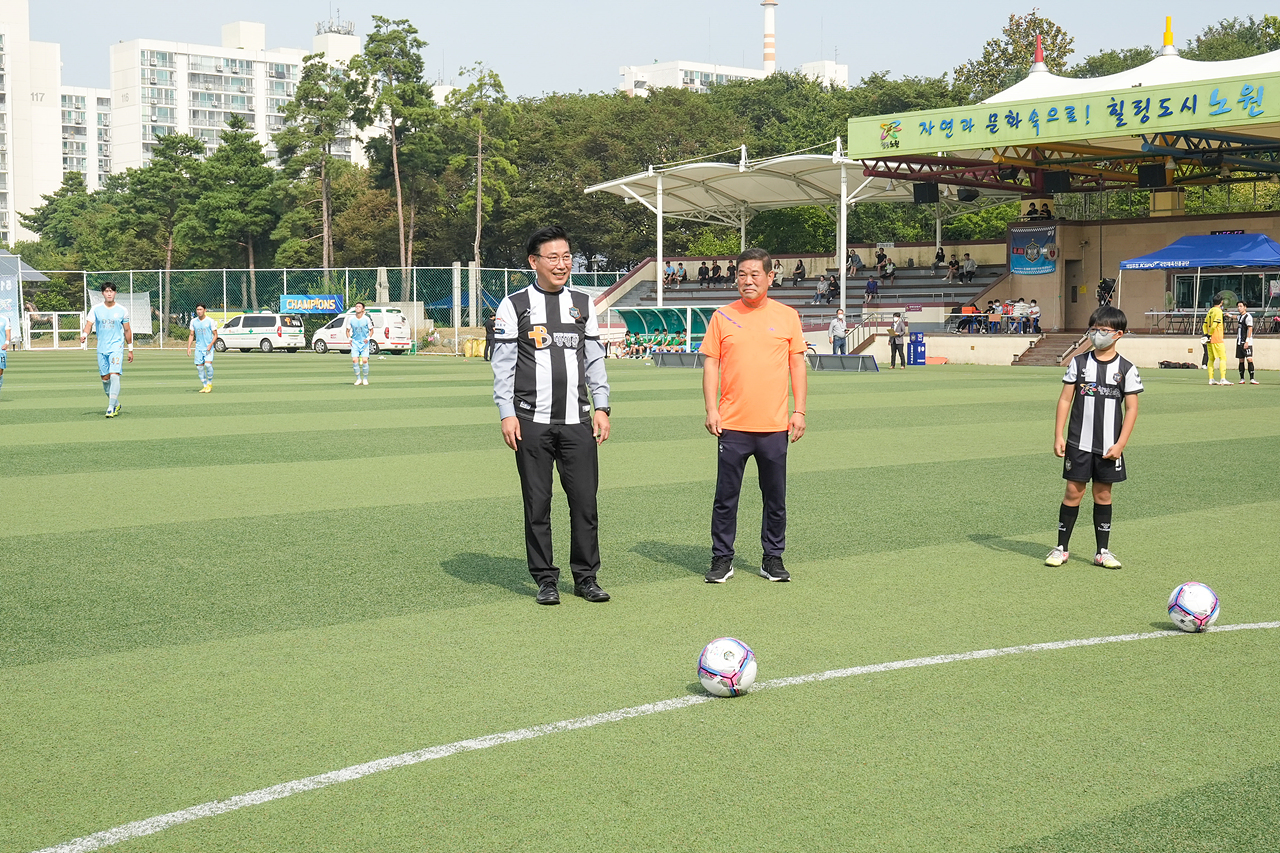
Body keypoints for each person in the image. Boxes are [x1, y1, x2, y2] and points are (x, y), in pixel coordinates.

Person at [492, 225, 611, 605]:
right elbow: (504, 365)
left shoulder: (582, 303)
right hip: (531, 421)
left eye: (566, 257)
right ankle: (545, 579)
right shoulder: (514, 305)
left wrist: (602, 406)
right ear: (534, 262)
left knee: (585, 503)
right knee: (538, 503)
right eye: (553, 257)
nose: (562, 265)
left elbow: (594, 360)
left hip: (577, 421)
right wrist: (506, 413)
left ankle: (586, 577)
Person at [702, 247, 806, 584]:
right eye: (742, 275)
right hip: (731, 425)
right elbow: (711, 363)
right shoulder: (722, 316)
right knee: (725, 498)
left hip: (775, 426)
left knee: (775, 497)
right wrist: (711, 408)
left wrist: (799, 410)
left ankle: (772, 558)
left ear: (769, 277)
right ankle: (722, 559)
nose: (747, 281)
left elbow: (796, 366)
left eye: (754, 275)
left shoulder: (788, 316)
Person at [1045, 305, 1142, 570]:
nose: (1097, 334)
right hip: (1079, 442)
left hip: (1109, 446)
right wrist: (1058, 435)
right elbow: (1065, 399)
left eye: (1103, 330)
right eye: (1094, 329)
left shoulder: (1127, 369)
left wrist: (1121, 444)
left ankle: (1102, 551)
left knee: (1103, 494)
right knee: (1073, 492)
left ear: (1118, 334)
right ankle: (1061, 548)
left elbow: (1131, 408)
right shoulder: (1078, 362)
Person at [80, 282, 133, 418]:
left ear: (115, 293)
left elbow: (127, 330)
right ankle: (115, 403)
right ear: (103, 293)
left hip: (116, 347)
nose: (109, 293)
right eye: (106, 291)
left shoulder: (122, 310)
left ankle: (110, 408)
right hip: (102, 348)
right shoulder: (96, 309)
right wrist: (84, 335)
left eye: (111, 291)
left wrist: (130, 349)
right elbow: (89, 325)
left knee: (115, 374)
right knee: (105, 379)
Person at [186, 303, 219, 392]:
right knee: (199, 368)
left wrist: (211, 344)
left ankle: (210, 383)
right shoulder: (193, 321)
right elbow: (191, 335)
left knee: (208, 365)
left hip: (208, 348)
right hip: (198, 348)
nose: (199, 311)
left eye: (201, 309)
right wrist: (189, 347)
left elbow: (215, 335)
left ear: (205, 310)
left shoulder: (210, 321)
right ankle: (205, 386)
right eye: (197, 310)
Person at [1203, 295, 1229, 385]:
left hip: (1209, 339)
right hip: (1217, 337)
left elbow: (1204, 324)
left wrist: (1206, 334)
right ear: (1221, 302)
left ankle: (1211, 379)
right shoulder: (1218, 311)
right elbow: (1214, 324)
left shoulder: (1210, 311)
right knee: (1222, 358)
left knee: (1211, 359)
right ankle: (1223, 378)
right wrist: (1210, 334)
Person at [348, 302, 373, 385]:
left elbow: (371, 330)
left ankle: (365, 379)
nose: (357, 308)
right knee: (355, 360)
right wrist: (349, 338)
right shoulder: (351, 319)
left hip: (364, 343)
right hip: (355, 342)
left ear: (363, 309)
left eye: (359, 306)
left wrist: (368, 338)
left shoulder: (366, 319)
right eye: (356, 306)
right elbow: (347, 331)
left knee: (365, 361)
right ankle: (358, 379)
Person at [1236, 300, 1258, 384]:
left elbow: (1250, 329)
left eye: (1241, 306)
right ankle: (1242, 378)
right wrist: (1229, 315)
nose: (1239, 308)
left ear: (1245, 307)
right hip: (1239, 342)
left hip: (1246, 342)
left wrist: (1247, 341)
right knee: (1241, 360)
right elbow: (1235, 317)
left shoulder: (1248, 317)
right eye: (1238, 306)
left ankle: (1252, 378)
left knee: (1249, 359)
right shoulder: (1239, 316)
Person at [0, 309, 10, 398]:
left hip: (1, 349)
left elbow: (8, 333)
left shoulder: (4, 319)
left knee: (0, 371)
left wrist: (6, 343)